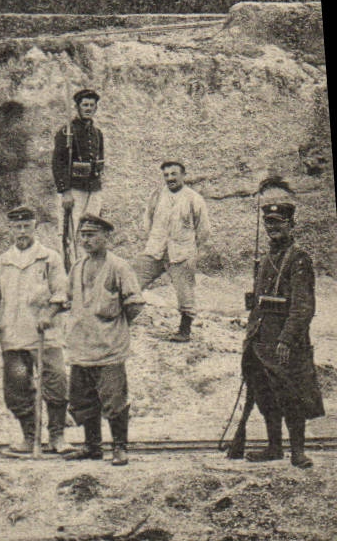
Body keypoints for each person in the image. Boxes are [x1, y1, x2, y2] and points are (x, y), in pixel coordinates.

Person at [233, 201, 322, 467]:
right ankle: (274, 447)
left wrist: (286, 339)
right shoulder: (264, 259)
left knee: (291, 395)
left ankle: (297, 451)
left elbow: (303, 306)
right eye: (268, 224)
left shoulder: (299, 259)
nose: (272, 229)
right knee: (264, 394)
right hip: (260, 340)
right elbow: (260, 301)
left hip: (286, 343)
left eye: (278, 223)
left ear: (291, 225)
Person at [63, 214, 144, 465]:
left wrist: (115, 326)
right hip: (82, 346)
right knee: (84, 399)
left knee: (114, 399)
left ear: (106, 238)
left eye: (92, 235)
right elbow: (68, 300)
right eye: (83, 235)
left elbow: (134, 304)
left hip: (110, 348)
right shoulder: (77, 267)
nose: (87, 240)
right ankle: (92, 446)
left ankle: (120, 447)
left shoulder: (118, 267)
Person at [0, 204, 69, 456]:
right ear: (11, 229)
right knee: (16, 388)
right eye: (17, 227)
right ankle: (29, 436)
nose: (22, 231)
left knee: (55, 382)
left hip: (45, 336)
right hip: (13, 336)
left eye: (27, 226)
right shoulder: (3, 262)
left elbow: (62, 293)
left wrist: (49, 314)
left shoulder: (49, 257)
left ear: (35, 227)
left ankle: (57, 436)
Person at [134, 159, 211, 342]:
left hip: (181, 253)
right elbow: (147, 221)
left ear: (183, 175)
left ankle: (184, 331)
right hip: (156, 250)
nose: (170, 178)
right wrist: (153, 239)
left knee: (185, 292)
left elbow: (204, 230)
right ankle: (122, 320)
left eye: (174, 174)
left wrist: (191, 251)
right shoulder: (156, 196)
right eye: (166, 175)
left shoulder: (194, 198)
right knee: (132, 282)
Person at [52, 87, 106, 265]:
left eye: (92, 105)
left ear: (96, 108)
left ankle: (89, 265)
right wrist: (64, 191)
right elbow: (58, 163)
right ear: (78, 107)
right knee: (72, 232)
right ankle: (73, 269)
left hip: (94, 189)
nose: (88, 108)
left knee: (91, 228)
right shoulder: (67, 132)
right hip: (74, 190)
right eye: (85, 105)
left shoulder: (97, 133)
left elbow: (100, 160)